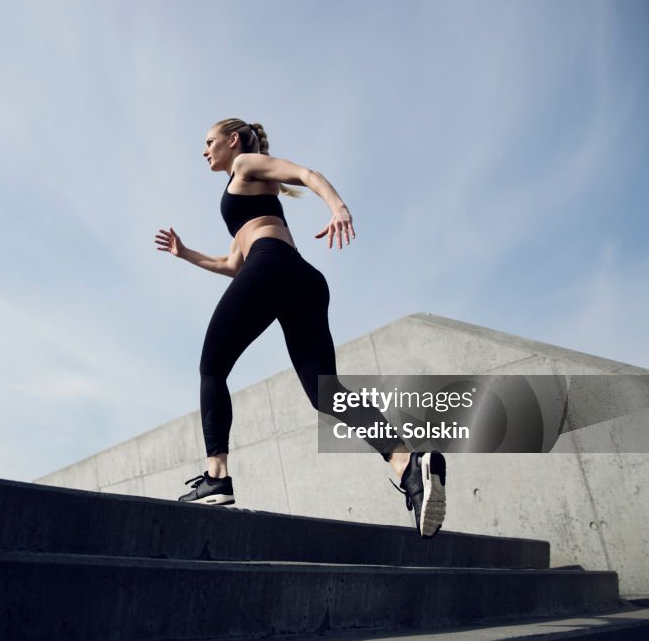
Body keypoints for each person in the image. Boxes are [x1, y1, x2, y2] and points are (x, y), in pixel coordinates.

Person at [154, 118, 446, 538]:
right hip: (299, 278)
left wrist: (338, 207)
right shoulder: (247, 196)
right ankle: (406, 464)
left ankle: (216, 476)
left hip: (271, 266)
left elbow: (307, 175)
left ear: (232, 141)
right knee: (324, 392)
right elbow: (231, 264)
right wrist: (186, 254)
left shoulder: (247, 164)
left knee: (212, 368)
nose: (204, 151)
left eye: (209, 142)